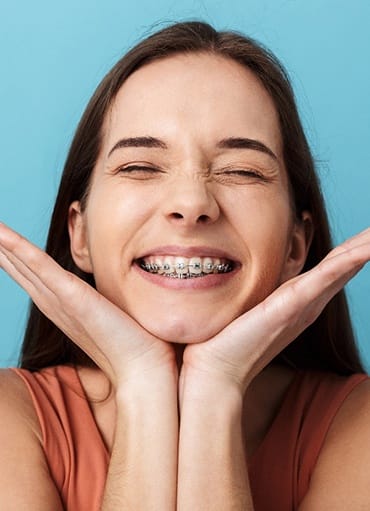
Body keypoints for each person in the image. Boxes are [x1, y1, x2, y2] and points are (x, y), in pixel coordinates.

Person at [0, 20, 370, 511]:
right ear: (79, 233)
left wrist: (215, 390)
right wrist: (141, 382)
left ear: (296, 247)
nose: (192, 202)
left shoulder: (357, 425)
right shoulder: (13, 419)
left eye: (241, 170)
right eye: (140, 167)